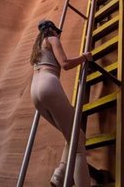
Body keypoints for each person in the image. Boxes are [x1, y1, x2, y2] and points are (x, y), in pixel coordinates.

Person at [30, 19, 93, 187]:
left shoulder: (37, 48)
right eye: (58, 32)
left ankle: (60, 176)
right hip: (48, 85)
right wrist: (84, 57)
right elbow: (65, 64)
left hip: (35, 92)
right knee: (78, 140)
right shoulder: (52, 40)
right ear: (53, 31)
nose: (59, 35)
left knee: (70, 135)